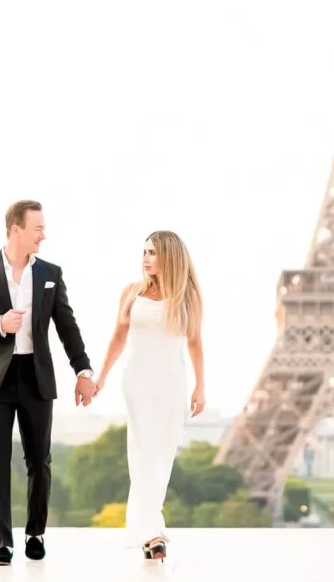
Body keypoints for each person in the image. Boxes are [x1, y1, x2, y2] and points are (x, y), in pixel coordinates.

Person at [0, 200, 97, 566]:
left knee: (39, 461)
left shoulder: (50, 273)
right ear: (16, 230)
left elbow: (67, 326)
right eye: (37, 228)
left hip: (36, 377)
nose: (43, 235)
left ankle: (35, 533)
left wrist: (83, 371)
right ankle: (3, 543)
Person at [93, 230, 206, 561]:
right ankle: (153, 534)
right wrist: (101, 377)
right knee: (143, 453)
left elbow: (195, 343)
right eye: (144, 251)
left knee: (162, 456)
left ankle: (149, 530)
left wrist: (200, 386)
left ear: (169, 256)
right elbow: (118, 336)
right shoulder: (131, 292)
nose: (145, 258)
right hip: (138, 383)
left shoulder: (188, 297)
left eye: (153, 252)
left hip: (171, 384)